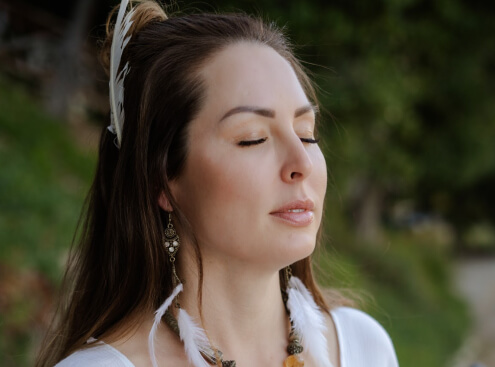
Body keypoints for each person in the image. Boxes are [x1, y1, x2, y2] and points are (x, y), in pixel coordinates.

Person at [36, 1, 399, 366]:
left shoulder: (363, 348)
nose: (302, 163)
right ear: (162, 181)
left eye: (306, 134)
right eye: (253, 138)